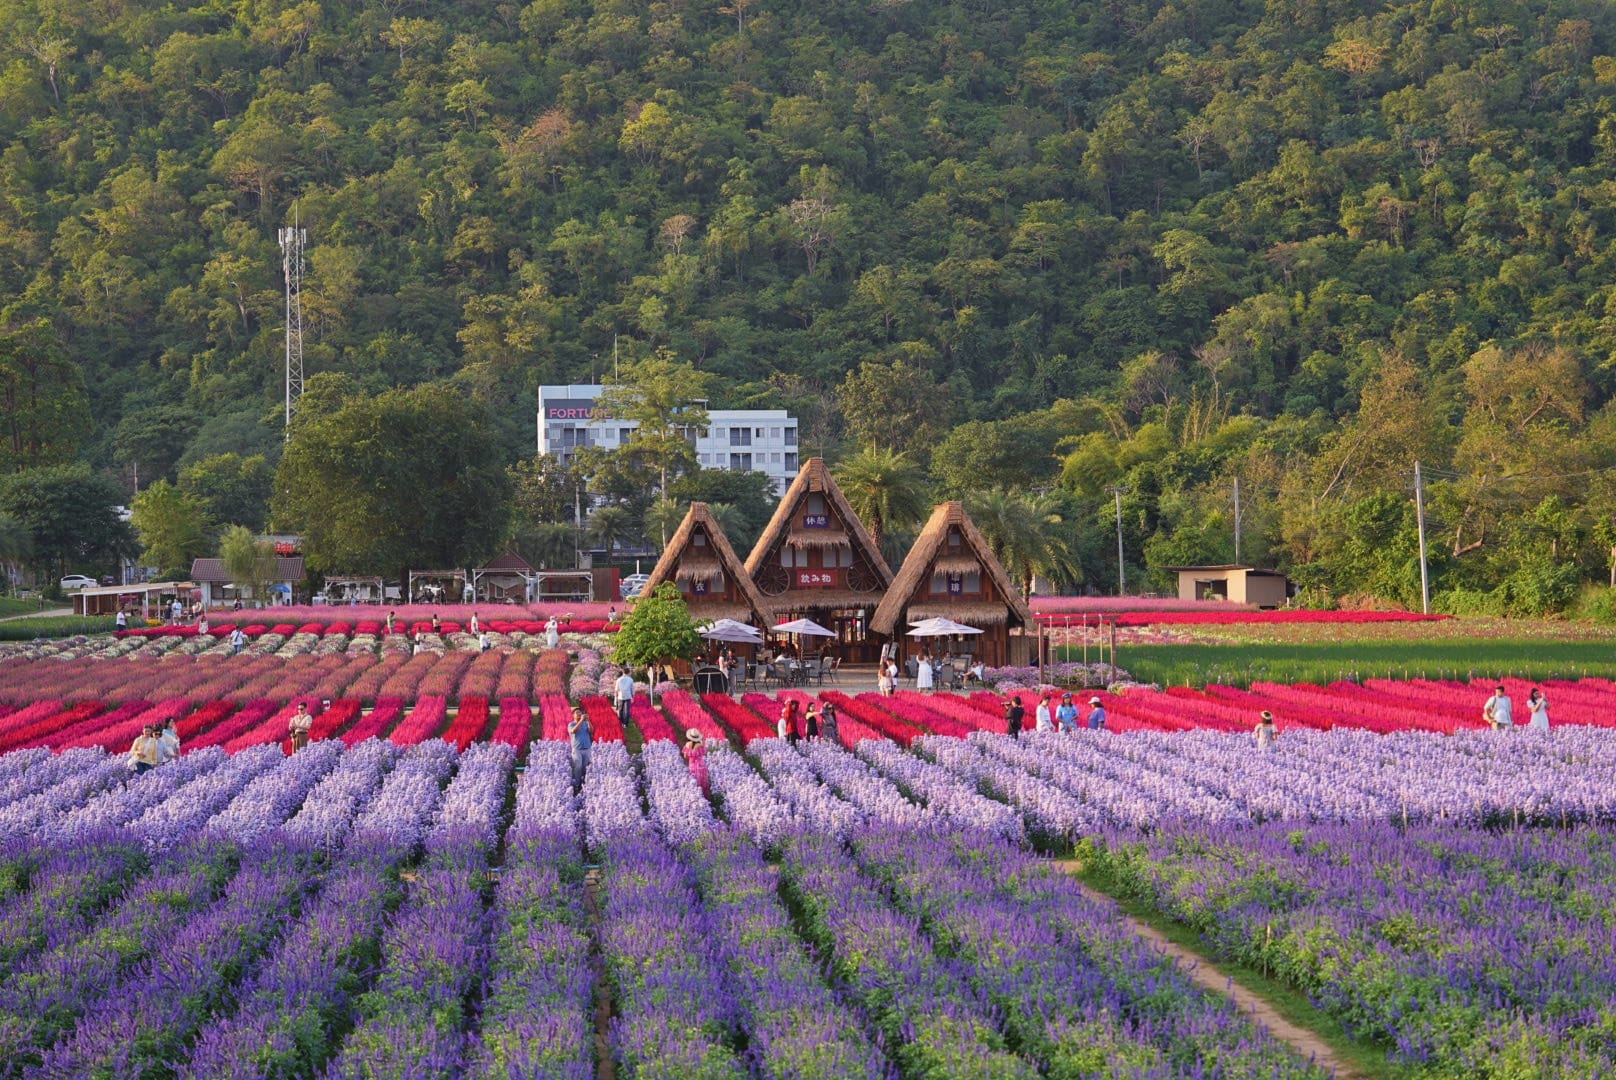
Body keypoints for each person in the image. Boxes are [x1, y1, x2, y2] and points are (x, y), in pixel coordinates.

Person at [568, 706, 593, 786]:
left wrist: (588, 720)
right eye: (577, 713)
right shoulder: (571, 724)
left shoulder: (585, 723)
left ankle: (584, 783)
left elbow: (591, 731)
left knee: (585, 767)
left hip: (587, 748)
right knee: (578, 767)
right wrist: (581, 720)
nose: (579, 714)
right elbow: (574, 731)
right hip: (577, 749)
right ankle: (577, 784)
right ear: (573, 715)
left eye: (580, 713)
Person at [682, 728, 709, 796]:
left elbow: (685, 756)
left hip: (692, 765)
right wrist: (703, 740)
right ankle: (704, 795)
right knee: (702, 781)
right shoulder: (699, 745)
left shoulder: (687, 745)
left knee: (694, 780)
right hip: (700, 765)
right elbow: (704, 752)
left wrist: (691, 757)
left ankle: (696, 795)